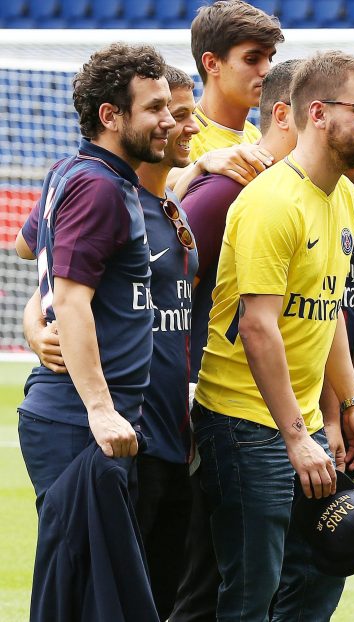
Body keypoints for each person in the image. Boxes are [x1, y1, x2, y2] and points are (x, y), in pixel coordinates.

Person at [191, 50, 354, 620]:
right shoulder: (271, 202)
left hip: (301, 424)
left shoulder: (345, 196)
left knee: (325, 569)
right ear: (317, 113)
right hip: (245, 425)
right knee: (251, 594)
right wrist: (297, 436)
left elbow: (329, 316)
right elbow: (257, 327)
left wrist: (349, 404)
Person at [16, 41, 174, 615]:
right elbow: (75, 300)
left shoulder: (77, 172)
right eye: (154, 108)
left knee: (92, 592)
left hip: (81, 419)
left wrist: (36, 317)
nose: (169, 120)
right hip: (79, 422)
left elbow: (26, 245)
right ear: (111, 116)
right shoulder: (100, 186)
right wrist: (102, 409)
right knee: (83, 598)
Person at [167, 0, 283, 194]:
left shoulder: (255, 135)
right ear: (212, 63)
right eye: (252, 59)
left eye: (269, 58)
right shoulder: (179, 133)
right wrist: (201, 166)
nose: (267, 70)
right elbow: (143, 191)